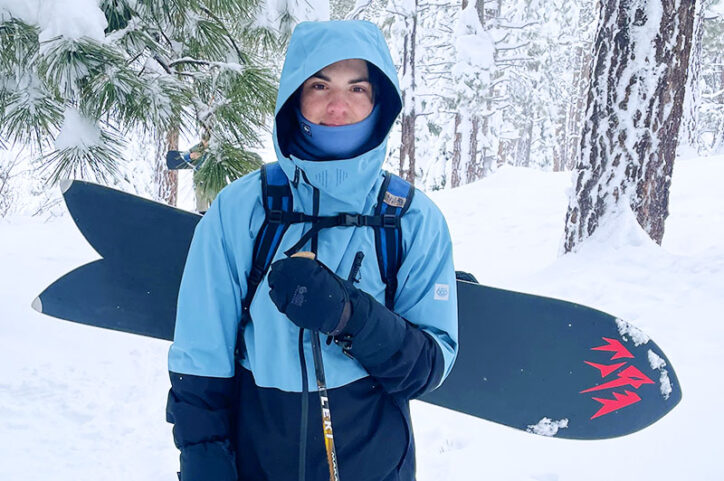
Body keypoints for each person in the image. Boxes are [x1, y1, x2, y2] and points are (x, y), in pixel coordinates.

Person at [166, 20, 458, 481]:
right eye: (319, 85)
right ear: (294, 96)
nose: (338, 105)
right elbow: (200, 353)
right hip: (255, 461)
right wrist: (204, 461)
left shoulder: (410, 219)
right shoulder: (243, 209)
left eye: (357, 88)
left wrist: (349, 317)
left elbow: (429, 364)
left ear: (379, 102)